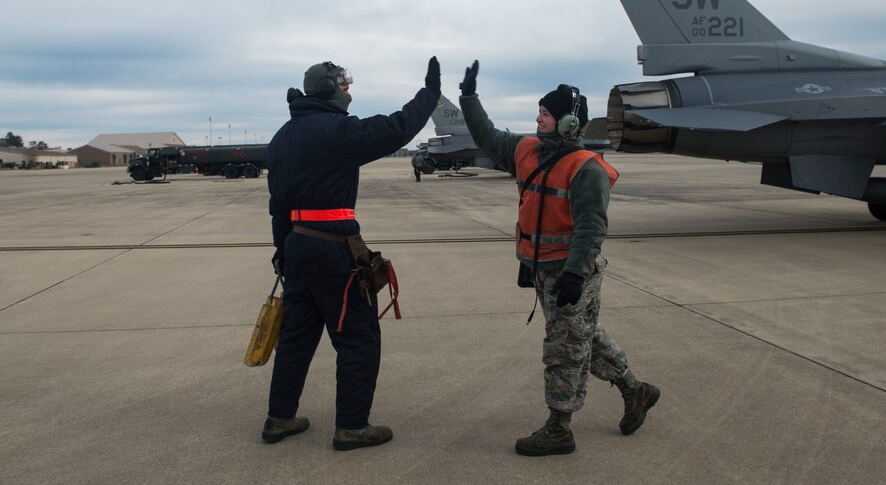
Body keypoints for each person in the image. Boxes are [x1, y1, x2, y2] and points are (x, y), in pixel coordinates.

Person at [457, 60, 660, 456]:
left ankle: (559, 428)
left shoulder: (587, 169)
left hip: (571, 273)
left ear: (570, 123)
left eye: (546, 113)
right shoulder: (527, 150)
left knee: (563, 350)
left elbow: (590, 229)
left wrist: (574, 275)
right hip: (543, 270)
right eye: (539, 111)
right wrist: (469, 98)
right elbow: (486, 136)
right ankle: (635, 391)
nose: (538, 118)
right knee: (584, 334)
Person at [263, 57, 442, 450]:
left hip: (295, 245)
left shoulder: (282, 136)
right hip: (333, 247)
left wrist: (282, 251)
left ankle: (279, 418)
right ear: (328, 90)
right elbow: (396, 128)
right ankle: (352, 427)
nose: (349, 91)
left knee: (295, 337)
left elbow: (277, 204)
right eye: (344, 86)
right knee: (358, 336)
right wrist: (429, 94)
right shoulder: (339, 131)